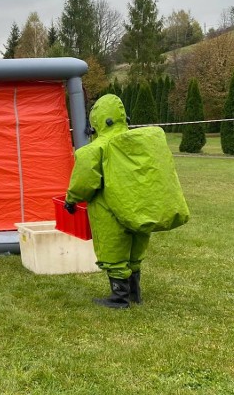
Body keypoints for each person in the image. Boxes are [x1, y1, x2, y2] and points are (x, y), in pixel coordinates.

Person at [65, 94, 189, 309]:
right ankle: (134, 293)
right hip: (139, 207)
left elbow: (85, 182)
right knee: (135, 250)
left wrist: (71, 199)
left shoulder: (96, 148)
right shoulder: (139, 143)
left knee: (113, 249)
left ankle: (119, 297)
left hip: (109, 210)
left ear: (98, 120)